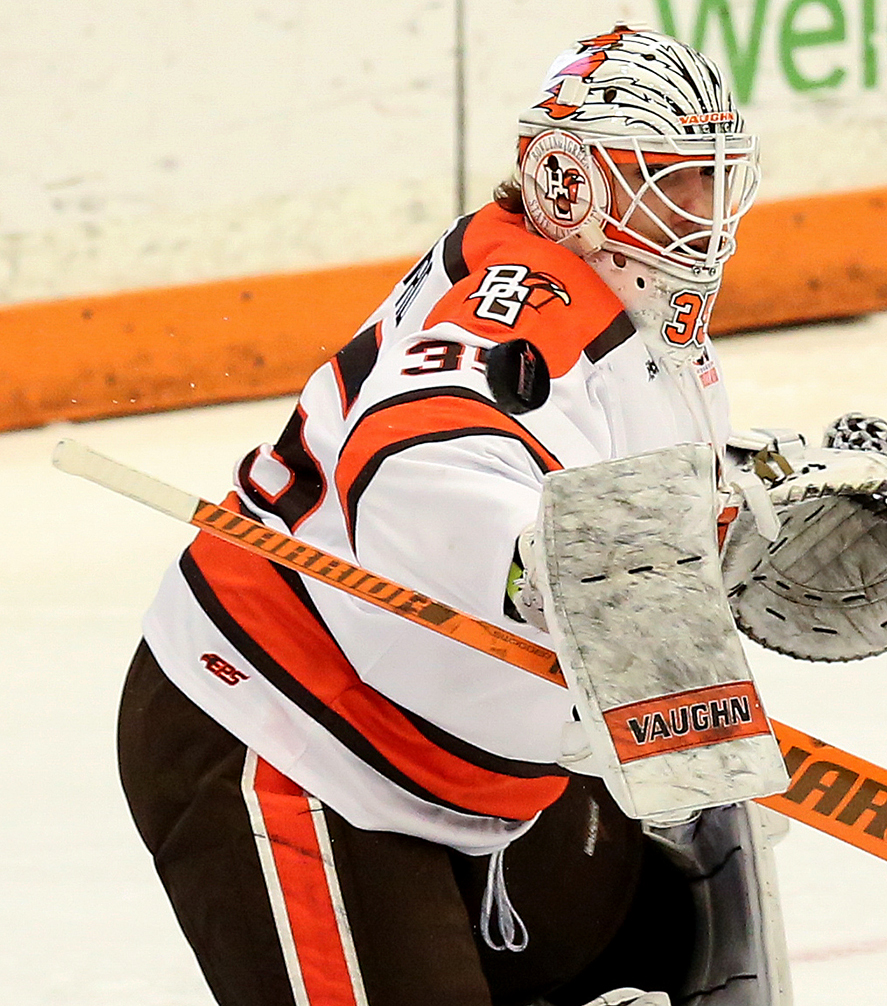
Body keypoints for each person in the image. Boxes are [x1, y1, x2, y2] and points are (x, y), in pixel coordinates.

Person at [121, 27, 770, 1006]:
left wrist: (762, 521)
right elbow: (414, 464)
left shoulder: (640, 310)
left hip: (464, 757)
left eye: (712, 180)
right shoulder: (523, 304)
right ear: (567, 183)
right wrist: (542, 563)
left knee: (654, 933)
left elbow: (627, 496)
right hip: (294, 733)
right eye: (667, 179)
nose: (700, 211)